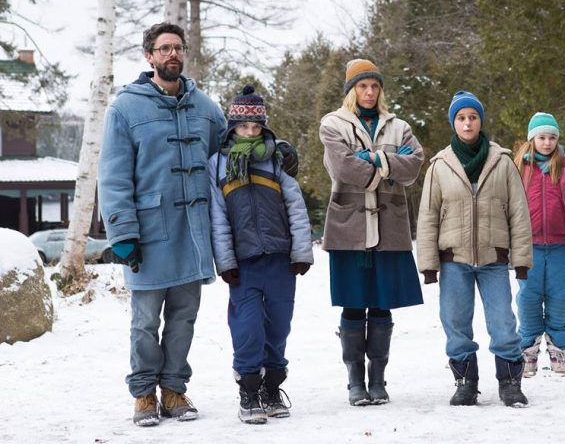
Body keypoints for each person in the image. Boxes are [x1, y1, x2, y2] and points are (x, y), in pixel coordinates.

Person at [98, 22, 226, 426]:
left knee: (184, 318)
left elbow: (231, 153)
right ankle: (143, 395)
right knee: (145, 321)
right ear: (149, 56)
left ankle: (173, 389)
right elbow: (113, 176)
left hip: (193, 232)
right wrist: (122, 233)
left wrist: (270, 148)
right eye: (164, 48)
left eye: (178, 47)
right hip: (148, 234)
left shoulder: (205, 107)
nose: (173, 54)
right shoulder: (125, 108)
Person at [416, 90, 532, 408]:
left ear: (480, 121)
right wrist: (428, 264)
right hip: (454, 259)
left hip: (494, 257)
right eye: (461, 118)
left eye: (473, 117)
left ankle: (510, 383)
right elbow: (427, 216)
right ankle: (465, 382)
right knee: (455, 322)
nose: (467, 123)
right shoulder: (440, 166)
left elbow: (519, 213)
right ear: (454, 123)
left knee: (503, 323)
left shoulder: (503, 162)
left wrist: (521, 260)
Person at [319, 59, 424, 406]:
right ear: (351, 89)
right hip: (349, 227)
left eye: (374, 86)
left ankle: (377, 379)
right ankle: (355, 381)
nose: (369, 92)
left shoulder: (400, 126)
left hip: (389, 225)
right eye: (362, 86)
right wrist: (388, 163)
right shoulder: (332, 124)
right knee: (353, 304)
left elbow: (414, 165)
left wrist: (372, 158)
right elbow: (343, 166)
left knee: (382, 305)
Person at [209, 86, 313, 424]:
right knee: (248, 327)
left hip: (280, 260)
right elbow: (218, 216)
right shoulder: (218, 165)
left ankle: (271, 387)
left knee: (279, 326)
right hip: (244, 264)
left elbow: (295, 206)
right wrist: (225, 262)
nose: (251, 133)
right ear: (232, 128)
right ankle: (249, 389)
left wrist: (300, 251)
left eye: (256, 127)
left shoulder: (275, 159)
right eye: (244, 127)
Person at [513, 112, 565, 377]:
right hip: (528, 246)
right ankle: (529, 351)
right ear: (532, 139)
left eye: (552, 137)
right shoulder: (518, 168)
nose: (547, 142)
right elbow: (508, 208)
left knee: (559, 299)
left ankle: (558, 350)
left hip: (560, 247)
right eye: (542, 137)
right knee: (528, 299)